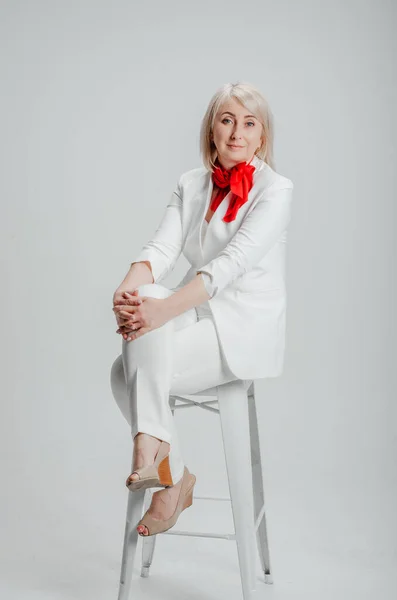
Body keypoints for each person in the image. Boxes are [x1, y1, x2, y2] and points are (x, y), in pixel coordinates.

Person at [110, 81, 294, 537]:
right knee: (145, 302)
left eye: (249, 123)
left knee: (126, 373)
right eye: (227, 119)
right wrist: (126, 294)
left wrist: (160, 312)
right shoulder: (191, 184)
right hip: (197, 314)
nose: (237, 132)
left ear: (262, 136)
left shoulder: (276, 190)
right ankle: (173, 470)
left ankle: (160, 465)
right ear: (211, 129)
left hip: (242, 328)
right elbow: (161, 247)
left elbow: (228, 268)